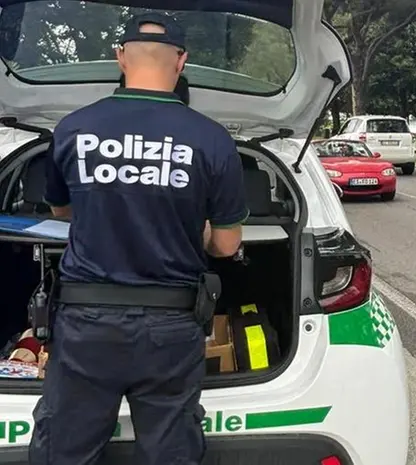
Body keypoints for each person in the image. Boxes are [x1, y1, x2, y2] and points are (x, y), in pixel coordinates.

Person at [32, 13, 248, 465]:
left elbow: (61, 210)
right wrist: (198, 228)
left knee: (65, 452)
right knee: (171, 453)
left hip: (86, 324)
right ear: (182, 60)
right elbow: (226, 246)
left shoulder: (73, 130)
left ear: (119, 58)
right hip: (171, 329)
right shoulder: (212, 141)